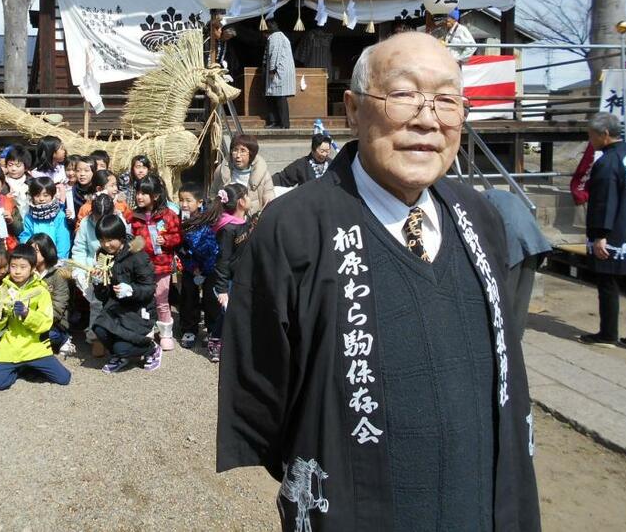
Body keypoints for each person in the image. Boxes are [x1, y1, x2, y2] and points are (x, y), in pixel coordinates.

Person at [217, 32, 540, 531]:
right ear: (352, 109)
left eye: (447, 101)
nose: (427, 119)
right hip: (359, 505)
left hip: (478, 500)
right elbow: (261, 388)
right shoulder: (293, 227)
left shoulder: (482, 217)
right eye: (404, 94)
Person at [579, 111, 626, 352]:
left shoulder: (608, 163)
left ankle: (608, 333)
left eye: (591, 136)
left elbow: (604, 201)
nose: (590, 141)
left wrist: (600, 235)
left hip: (614, 234)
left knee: (608, 284)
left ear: (604, 135)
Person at [0, 244, 72, 391]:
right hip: (10, 347)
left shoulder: (41, 291)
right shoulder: (0, 291)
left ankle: (29, 366)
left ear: (32, 268)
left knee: (64, 378)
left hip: (35, 347)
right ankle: (21, 369)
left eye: (23, 267)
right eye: (13, 266)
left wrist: (27, 314)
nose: (17, 271)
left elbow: (46, 322)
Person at [181, 183, 250, 362]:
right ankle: (215, 339)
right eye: (248, 196)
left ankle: (231, 341)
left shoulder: (244, 221)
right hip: (226, 278)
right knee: (224, 312)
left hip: (241, 276)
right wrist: (222, 290)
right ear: (242, 202)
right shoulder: (227, 229)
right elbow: (223, 260)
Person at [92, 214, 161, 374]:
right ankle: (120, 354)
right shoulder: (102, 255)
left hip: (139, 310)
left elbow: (150, 288)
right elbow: (103, 297)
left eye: (110, 239)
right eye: (102, 240)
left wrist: (131, 290)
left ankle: (150, 348)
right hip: (117, 308)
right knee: (99, 328)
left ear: (121, 237)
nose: (106, 244)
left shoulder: (136, 255)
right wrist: (98, 283)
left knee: (122, 348)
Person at [483, 189, 552, 340]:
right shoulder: (496, 195)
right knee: (522, 297)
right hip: (533, 241)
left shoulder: (480, 201)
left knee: (505, 297)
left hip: (512, 242)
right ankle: (515, 339)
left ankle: (504, 340)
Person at [129, 174, 181, 351]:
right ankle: (147, 330)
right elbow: (131, 238)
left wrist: (166, 240)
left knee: (161, 299)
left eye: (144, 193)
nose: (139, 196)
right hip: (142, 267)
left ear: (156, 196)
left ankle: (166, 333)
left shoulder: (169, 215)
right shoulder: (134, 217)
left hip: (162, 266)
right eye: (138, 192)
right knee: (143, 299)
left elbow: (178, 236)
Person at [70, 193, 119, 358]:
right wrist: (81, 271)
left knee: (116, 303)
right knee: (97, 304)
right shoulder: (85, 223)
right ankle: (95, 336)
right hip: (93, 268)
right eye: (98, 218)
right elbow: (79, 249)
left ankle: (116, 335)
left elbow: (125, 245)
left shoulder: (120, 222)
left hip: (115, 267)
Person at [176, 181, 217, 349]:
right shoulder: (179, 219)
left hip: (209, 266)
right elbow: (179, 245)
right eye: (181, 200)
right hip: (189, 266)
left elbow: (212, 246)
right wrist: (191, 266)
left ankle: (212, 329)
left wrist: (204, 267)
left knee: (211, 299)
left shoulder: (209, 219)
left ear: (199, 202)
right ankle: (189, 328)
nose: (184, 204)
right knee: (188, 296)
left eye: (188, 200)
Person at [28, 233, 73, 357]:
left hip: (54, 323)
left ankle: (64, 338)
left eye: (36, 251)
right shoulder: (27, 273)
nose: (32, 254)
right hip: (29, 319)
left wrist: (38, 322)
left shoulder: (58, 274)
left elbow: (59, 306)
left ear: (46, 250)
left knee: (45, 335)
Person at [214, 134, 274, 217]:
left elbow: (269, 197)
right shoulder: (221, 171)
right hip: (226, 219)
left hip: (253, 220)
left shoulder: (263, 173)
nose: (238, 156)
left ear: (251, 154)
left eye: (243, 151)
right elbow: (213, 194)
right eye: (235, 150)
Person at [19, 177, 71, 259]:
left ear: (52, 195)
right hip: (36, 258)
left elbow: (63, 241)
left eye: (46, 195)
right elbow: (26, 236)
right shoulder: (29, 216)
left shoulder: (59, 215)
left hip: (55, 258)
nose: (41, 199)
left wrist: (60, 260)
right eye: (37, 195)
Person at [262, 20, 296, 129]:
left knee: (279, 97)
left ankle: (281, 123)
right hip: (281, 71)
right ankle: (279, 122)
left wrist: (272, 70)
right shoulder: (281, 36)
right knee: (276, 96)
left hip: (278, 71)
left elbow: (274, 54)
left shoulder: (275, 37)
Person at [30, 135, 68, 203]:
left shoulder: (63, 169)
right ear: (51, 151)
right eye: (61, 148)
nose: (64, 151)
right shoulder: (36, 174)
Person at [4, 146, 32, 218]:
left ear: (26, 167)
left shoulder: (31, 183)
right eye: (10, 165)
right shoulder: (2, 183)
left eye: (18, 165)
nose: (13, 169)